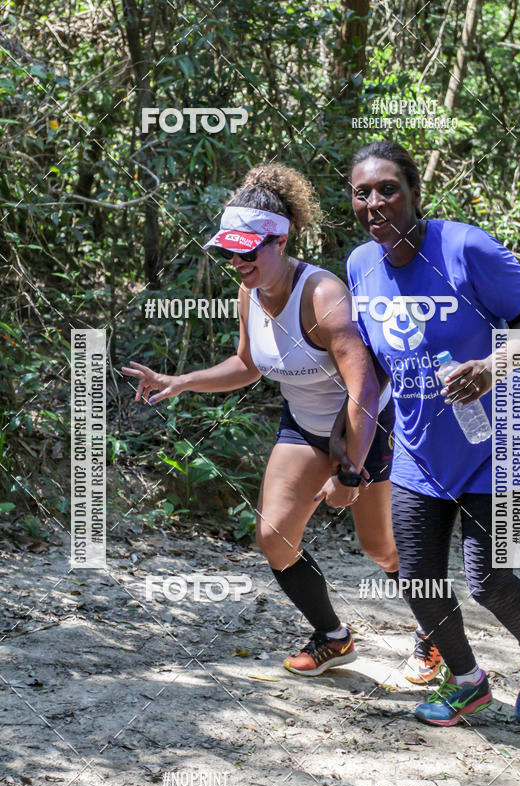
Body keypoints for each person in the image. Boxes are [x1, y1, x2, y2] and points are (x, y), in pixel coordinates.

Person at [123, 163, 441, 681]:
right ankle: (334, 638)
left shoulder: (322, 296)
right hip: (303, 424)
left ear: (281, 240)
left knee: (379, 547)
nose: (236, 261)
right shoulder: (250, 292)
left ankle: (434, 631)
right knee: (274, 536)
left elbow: (363, 389)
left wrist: (349, 473)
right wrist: (181, 381)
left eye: (246, 250)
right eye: (227, 251)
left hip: (365, 428)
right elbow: (248, 365)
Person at [339, 140, 520, 726]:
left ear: (414, 193)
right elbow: (374, 364)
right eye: (362, 192)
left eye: (388, 188)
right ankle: (468, 681)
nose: (375, 202)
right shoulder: (360, 265)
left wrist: (492, 366)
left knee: (490, 582)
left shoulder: (465, 247)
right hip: (420, 447)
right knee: (417, 578)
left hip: (502, 445)